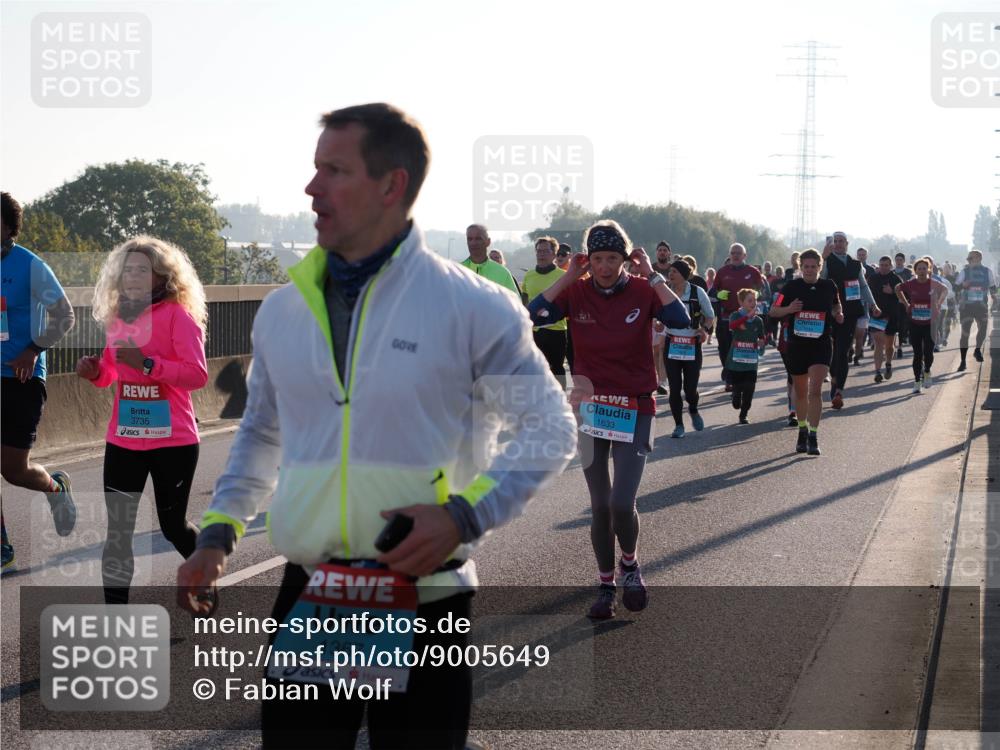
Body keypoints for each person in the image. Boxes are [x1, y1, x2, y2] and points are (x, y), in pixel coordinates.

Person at [177, 103, 576, 749]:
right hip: (313, 590)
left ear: (391, 184)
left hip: (426, 597)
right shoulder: (282, 311)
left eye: (334, 171)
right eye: (314, 169)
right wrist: (218, 533)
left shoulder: (474, 305)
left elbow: (551, 427)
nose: (312, 188)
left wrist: (465, 515)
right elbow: (263, 430)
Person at [528, 220, 689, 620]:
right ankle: (605, 584)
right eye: (597, 258)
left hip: (635, 405)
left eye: (612, 259)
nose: (604, 267)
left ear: (625, 258)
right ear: (588, 259)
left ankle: (630, 565)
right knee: (600, 505)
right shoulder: (577, 290)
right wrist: (568, 277)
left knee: (621, 501)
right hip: (591, 406)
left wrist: (651, 274)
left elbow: (681, 320)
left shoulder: (640, 288)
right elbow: (535, 315)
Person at [76, 237, 208, 603]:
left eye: (142, 270)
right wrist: (93, 371)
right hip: (125, 440)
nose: (132, 276)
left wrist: (148, 364)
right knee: (118, 533)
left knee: (173, 528)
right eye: (128, 269)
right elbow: (110, 374)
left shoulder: (177, 316)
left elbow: (197, 375)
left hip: (173, 442)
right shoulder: (120, 317)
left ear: (161, 277)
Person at [0, 191, 77, 571]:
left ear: (7, 226)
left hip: (21, 377)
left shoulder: (29, 266)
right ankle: (2, 547)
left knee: (13, 470)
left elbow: (64, 316)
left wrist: (32, 349)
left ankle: (55, 487)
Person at [769, 249, 843, 456]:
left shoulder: (829, 286)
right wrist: (789, 309)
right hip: (797, 344)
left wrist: (839, 314)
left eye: (813, 267)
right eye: (806, 267)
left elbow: (837, 305)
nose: (809, 270)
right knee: (801, 392)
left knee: (815, 391)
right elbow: (773, 311)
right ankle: (802, 429)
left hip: (820, 344)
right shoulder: (791, 287)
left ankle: (813, 434)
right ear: (801, 268)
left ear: (820, 267)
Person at [821, 232, 880, 410]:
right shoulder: (828, 261)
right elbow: (822, 280)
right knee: (832, 351)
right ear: (832, 244)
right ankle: (834, 379)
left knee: (843, 350)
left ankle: (839, 390)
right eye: (835, 242)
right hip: (830, 311)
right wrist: (824, 260)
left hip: (851, 311)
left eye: (841, 242)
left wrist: (873, 305)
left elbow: (863, 286)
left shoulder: (855, 264)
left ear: (847, 244)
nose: (838, 244)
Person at [662, 258, 714, 437]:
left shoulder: (697, 292)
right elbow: (656, 313)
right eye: (670, 271)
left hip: (692, 344)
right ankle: (679, 425)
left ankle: (693, 407)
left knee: (690, 388)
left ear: (684, 275)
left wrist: (705, 329)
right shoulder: (665, 291)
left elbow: (709, 316)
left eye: (674, 271)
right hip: (672, 343)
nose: (670, 274)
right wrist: (657, 324)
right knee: (674, 387)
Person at [711, 243, 763, 392]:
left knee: (741, 348)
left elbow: (762, 291)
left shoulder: (752, 272)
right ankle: (729, 377)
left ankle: (739, 378)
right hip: (727, 317)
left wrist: (754, 297)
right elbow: (713, 292)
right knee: (725, 349)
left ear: (744, 256)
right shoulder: (722, 272)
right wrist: (718, 294)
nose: (735, 255)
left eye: (738, 253)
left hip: (746, 317)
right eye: (733, 253)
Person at [521, 236, 568, 387]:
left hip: (556, 329)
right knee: (535, 369)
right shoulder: (529, 275)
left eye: (545, 251)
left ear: (554, 254)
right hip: (534, 330)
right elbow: (525, 301)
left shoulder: (562, 275)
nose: (541, 254)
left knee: (557, 368)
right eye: (539, 251)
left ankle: (561, 401)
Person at [897, 258, 947, 393]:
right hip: (915, 322)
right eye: (919, 268)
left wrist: (939, 302)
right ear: (915, 270)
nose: (922, 271)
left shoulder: (933, 283)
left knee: (928, 352)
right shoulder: (911, 283)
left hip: (931, 323)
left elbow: (945, 290)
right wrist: (906, 304)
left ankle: (927, 371)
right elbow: (897, 288)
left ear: (928, 269)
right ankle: (917, 381)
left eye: (924, 268)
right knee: (917, 354)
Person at [727, 289, 767, 424]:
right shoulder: (735, 315)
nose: (753, 303)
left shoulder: (758, 321)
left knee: (750, 389)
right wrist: (746, 317)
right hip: (737, 361)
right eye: (749, 300)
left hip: (751, 361)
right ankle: (735, 397)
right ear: (741, 302)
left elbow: (762, 336)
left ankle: (743, 415)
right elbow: (732, 326)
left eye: (754, 300)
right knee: (738, 389)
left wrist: (762, 342)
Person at [955, 249, 997, 370]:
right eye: (968, 259)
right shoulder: (964, 271)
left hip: (981, 306)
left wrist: (995, 299)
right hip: (966, 307)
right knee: (965, 334)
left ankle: (977, 349)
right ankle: (963, 362)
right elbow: (955, 287)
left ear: (978, 258)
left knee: (983, 330)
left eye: (970, 258)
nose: (968, 261)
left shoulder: (987, 272)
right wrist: (962, 285)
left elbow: (993, 287)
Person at [868, 255, 903, 382]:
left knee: (889, 345)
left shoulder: (896, 279)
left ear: (891, 266)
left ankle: (888, 363)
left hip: (892, 315)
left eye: (886, 265)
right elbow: (867, 295)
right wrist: (871, 308)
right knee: (878, 344)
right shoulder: (872, 278)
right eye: (881, 265)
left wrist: (892, 292)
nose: (883, 267)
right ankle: (877, 371)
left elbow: (904, 297)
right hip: (877, 315)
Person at [461, 224, 519, 296]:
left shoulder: (503, 273)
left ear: (488, 242)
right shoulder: (458, 271)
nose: (473, 243)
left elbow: (515, 303)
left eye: (478, 239)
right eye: (470, 239)